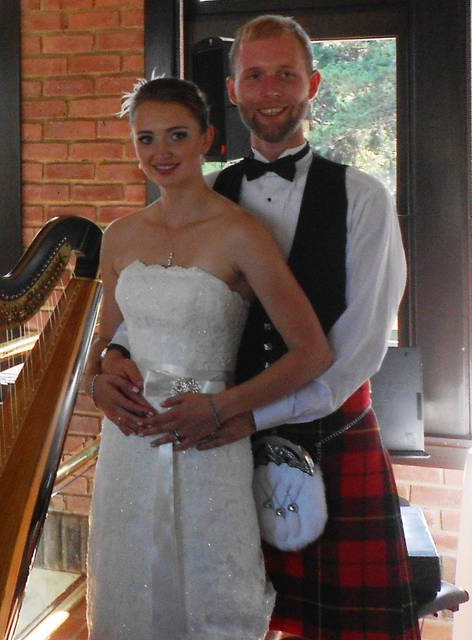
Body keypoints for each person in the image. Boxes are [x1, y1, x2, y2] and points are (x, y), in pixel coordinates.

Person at [92, 15, 418, 640]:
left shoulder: (363, 197)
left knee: (343, 627)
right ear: (234, 91)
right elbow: (154, 309)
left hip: (323, 432)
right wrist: (110, 361)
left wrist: (246, 414)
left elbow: (358, 345)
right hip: (212, 439)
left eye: (286, 75)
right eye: (255, 75)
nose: (271, 90)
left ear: (313, 84)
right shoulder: (202, 192)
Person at [85, 75, 333, 639]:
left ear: (206, 139)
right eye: (145, 139)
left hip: (207, 442)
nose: (160, 152)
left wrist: (222, 408)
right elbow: (101, 344)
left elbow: (312, 352)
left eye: (176, 135)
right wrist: (99, 379)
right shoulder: (119, 237)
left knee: (211, 592)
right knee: (128, 593)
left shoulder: (241, 233)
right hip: (129, 447)